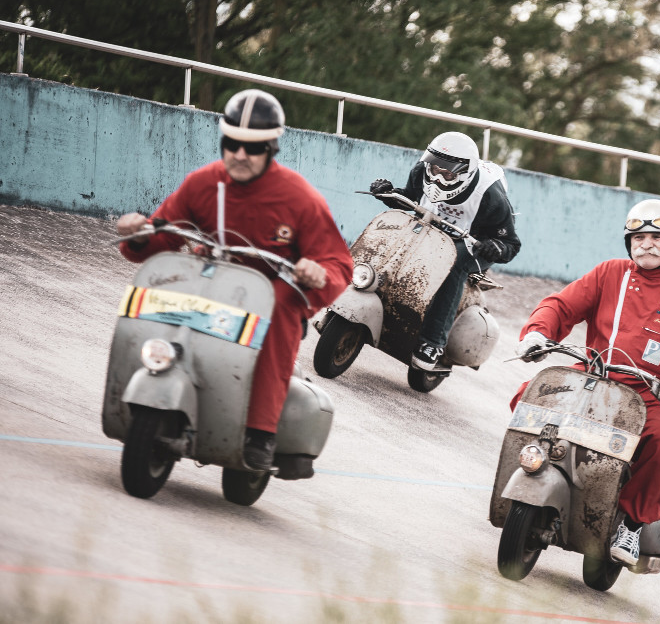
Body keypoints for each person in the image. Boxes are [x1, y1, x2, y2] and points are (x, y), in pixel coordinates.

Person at [116, 89, 354, 471]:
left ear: (271, 148)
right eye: (232, 143)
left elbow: (338, 263)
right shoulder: (203, 183)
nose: (240, 154)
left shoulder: (300, 198)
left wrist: (316, 272)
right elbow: (165, 232)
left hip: (267, 292)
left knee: (283, 304)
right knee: (158, 291)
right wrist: (140, 232)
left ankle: (260, 431)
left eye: (253, 147)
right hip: (208, 281)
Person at [512, 198, 660, 566]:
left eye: (657, 237)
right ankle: (533, 468)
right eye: (638, 237)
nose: (647, 243)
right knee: (533, 394)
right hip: (595, 378)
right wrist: (537, 332)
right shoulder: (610, 273)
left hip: (652, 395)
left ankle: (631, 524)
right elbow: (560, 305)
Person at [369, 131, 520, 370]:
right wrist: (389, 193)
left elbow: (511, 244)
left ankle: (432, 343)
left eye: (447, 171)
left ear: (465, 171)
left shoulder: (490, 195)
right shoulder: (421, 170)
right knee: (395, 234)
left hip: (474, 243)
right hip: (430, 229)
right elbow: (412, 198)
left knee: (455, 263)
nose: (438, 173)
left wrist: (494, 247)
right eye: (435, 166)